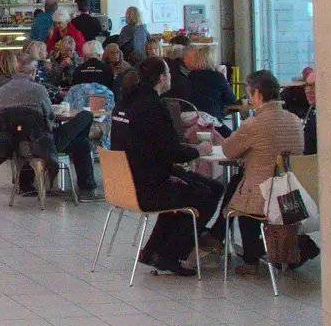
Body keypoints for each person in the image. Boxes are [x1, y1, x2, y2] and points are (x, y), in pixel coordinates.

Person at [110, 56, 224, 275]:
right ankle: (171, 254)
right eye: (169, 74)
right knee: (207, 193)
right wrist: (198, 150)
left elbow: (152, 147)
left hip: (126, 182)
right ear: (162, 79)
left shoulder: (123, 105)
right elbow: (172, 152)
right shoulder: (153, 107)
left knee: (192, 188)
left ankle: (154, 250)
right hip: (148, 186)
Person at [216, 69, 315, 270]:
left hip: (265, 194)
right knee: (239, 185)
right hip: (291, 194)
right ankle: (218, 238)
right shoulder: (295, 121)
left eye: (250, 94)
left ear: (258, 94)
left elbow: (229, 151)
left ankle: (247, 258)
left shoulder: (252, 124)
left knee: (241, 200)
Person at [0, 52, 97, 196]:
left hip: (16, 143)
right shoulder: (38, 90)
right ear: (33, 71)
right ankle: (87, 188)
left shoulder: (1, 91)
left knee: (79, 141)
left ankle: (26, 183)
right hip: (45, 143)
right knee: (85, 119)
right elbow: (49, 117)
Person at [183, 44, 236, 123]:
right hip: (213, 122)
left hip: (191, 121)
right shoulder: (218, 77)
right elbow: (231, 100)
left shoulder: (188, 77)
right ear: (212, 60)